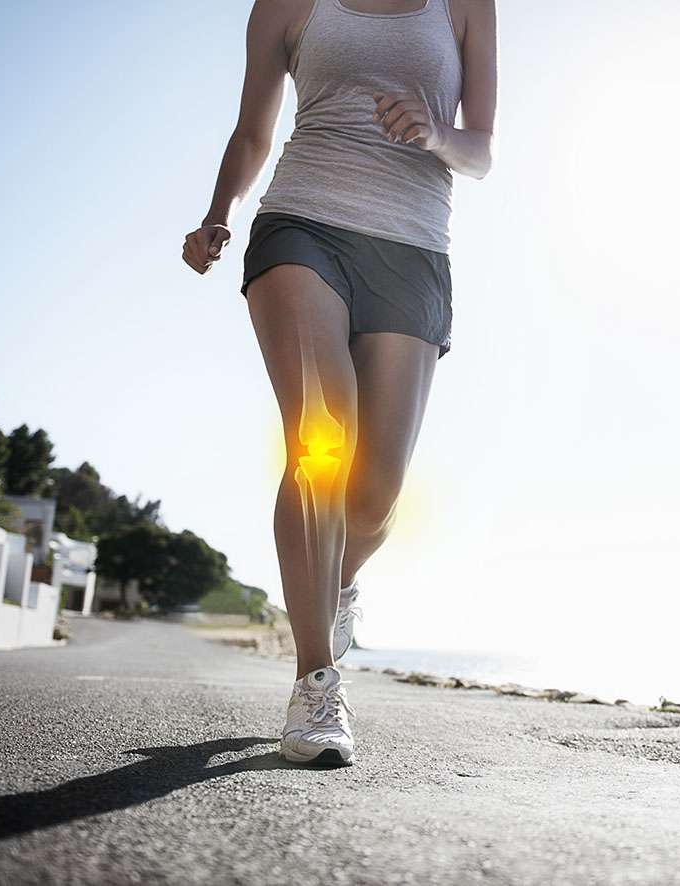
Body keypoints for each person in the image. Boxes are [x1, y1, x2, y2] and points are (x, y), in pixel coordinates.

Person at [182, 0, 497, 767]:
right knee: (320, 438)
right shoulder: (287, 6)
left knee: (375, 494)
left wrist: (433, 133)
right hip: (304, 223)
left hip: (414, 247)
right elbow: (255, 128)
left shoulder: (466, 6)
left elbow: (480, 149)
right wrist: (218, 212)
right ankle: (315, 681)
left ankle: (340, 579)